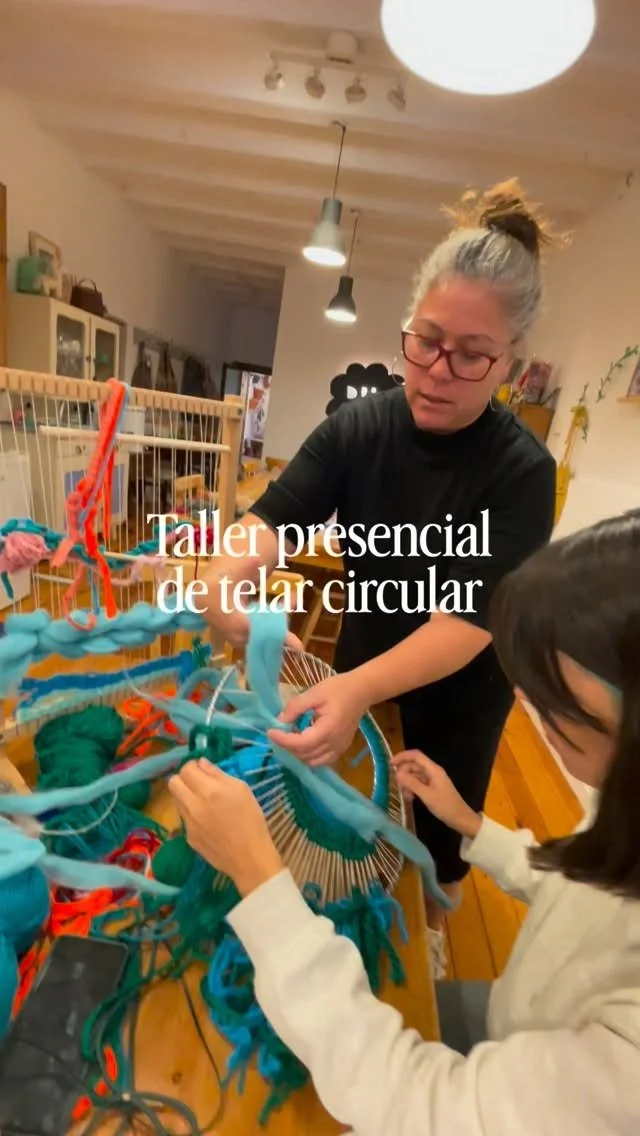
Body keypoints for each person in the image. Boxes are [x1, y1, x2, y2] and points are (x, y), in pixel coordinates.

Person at [170, 510, 640, 1135]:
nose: (526, 698)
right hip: (516, 1026)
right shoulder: (626, 809)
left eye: (555, 689)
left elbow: (415, 1102)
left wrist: (259, 876)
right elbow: (588, 890)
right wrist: (472, 825)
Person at [202, 179, 558, 974]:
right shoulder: (359, 428)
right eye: (426, 340)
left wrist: (359, 688)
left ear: (511, 360)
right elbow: (274, 517)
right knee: (350, 803)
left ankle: (431, 934)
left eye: (471, 355)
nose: (437, 370)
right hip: (365, 655)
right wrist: (224, 580)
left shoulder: (523, 471)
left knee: (440, 835)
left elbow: (468, 621)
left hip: (462, 687)